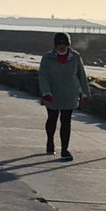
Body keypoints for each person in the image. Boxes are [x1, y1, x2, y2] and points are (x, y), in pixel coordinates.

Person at [38, 32, 91, 161]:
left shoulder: (75, 57)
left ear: (68, 44)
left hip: (70, 95)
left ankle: (64, 150)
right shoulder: (47, 57)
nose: (61, 46)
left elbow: (81, 75)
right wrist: (46, 92)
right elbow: (43, 76)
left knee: (66, 122)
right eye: (59, 43)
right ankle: (50, 141)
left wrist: (85, 93)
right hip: (52, 95)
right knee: (52, 119)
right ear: (55, 44)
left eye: (64, 43)